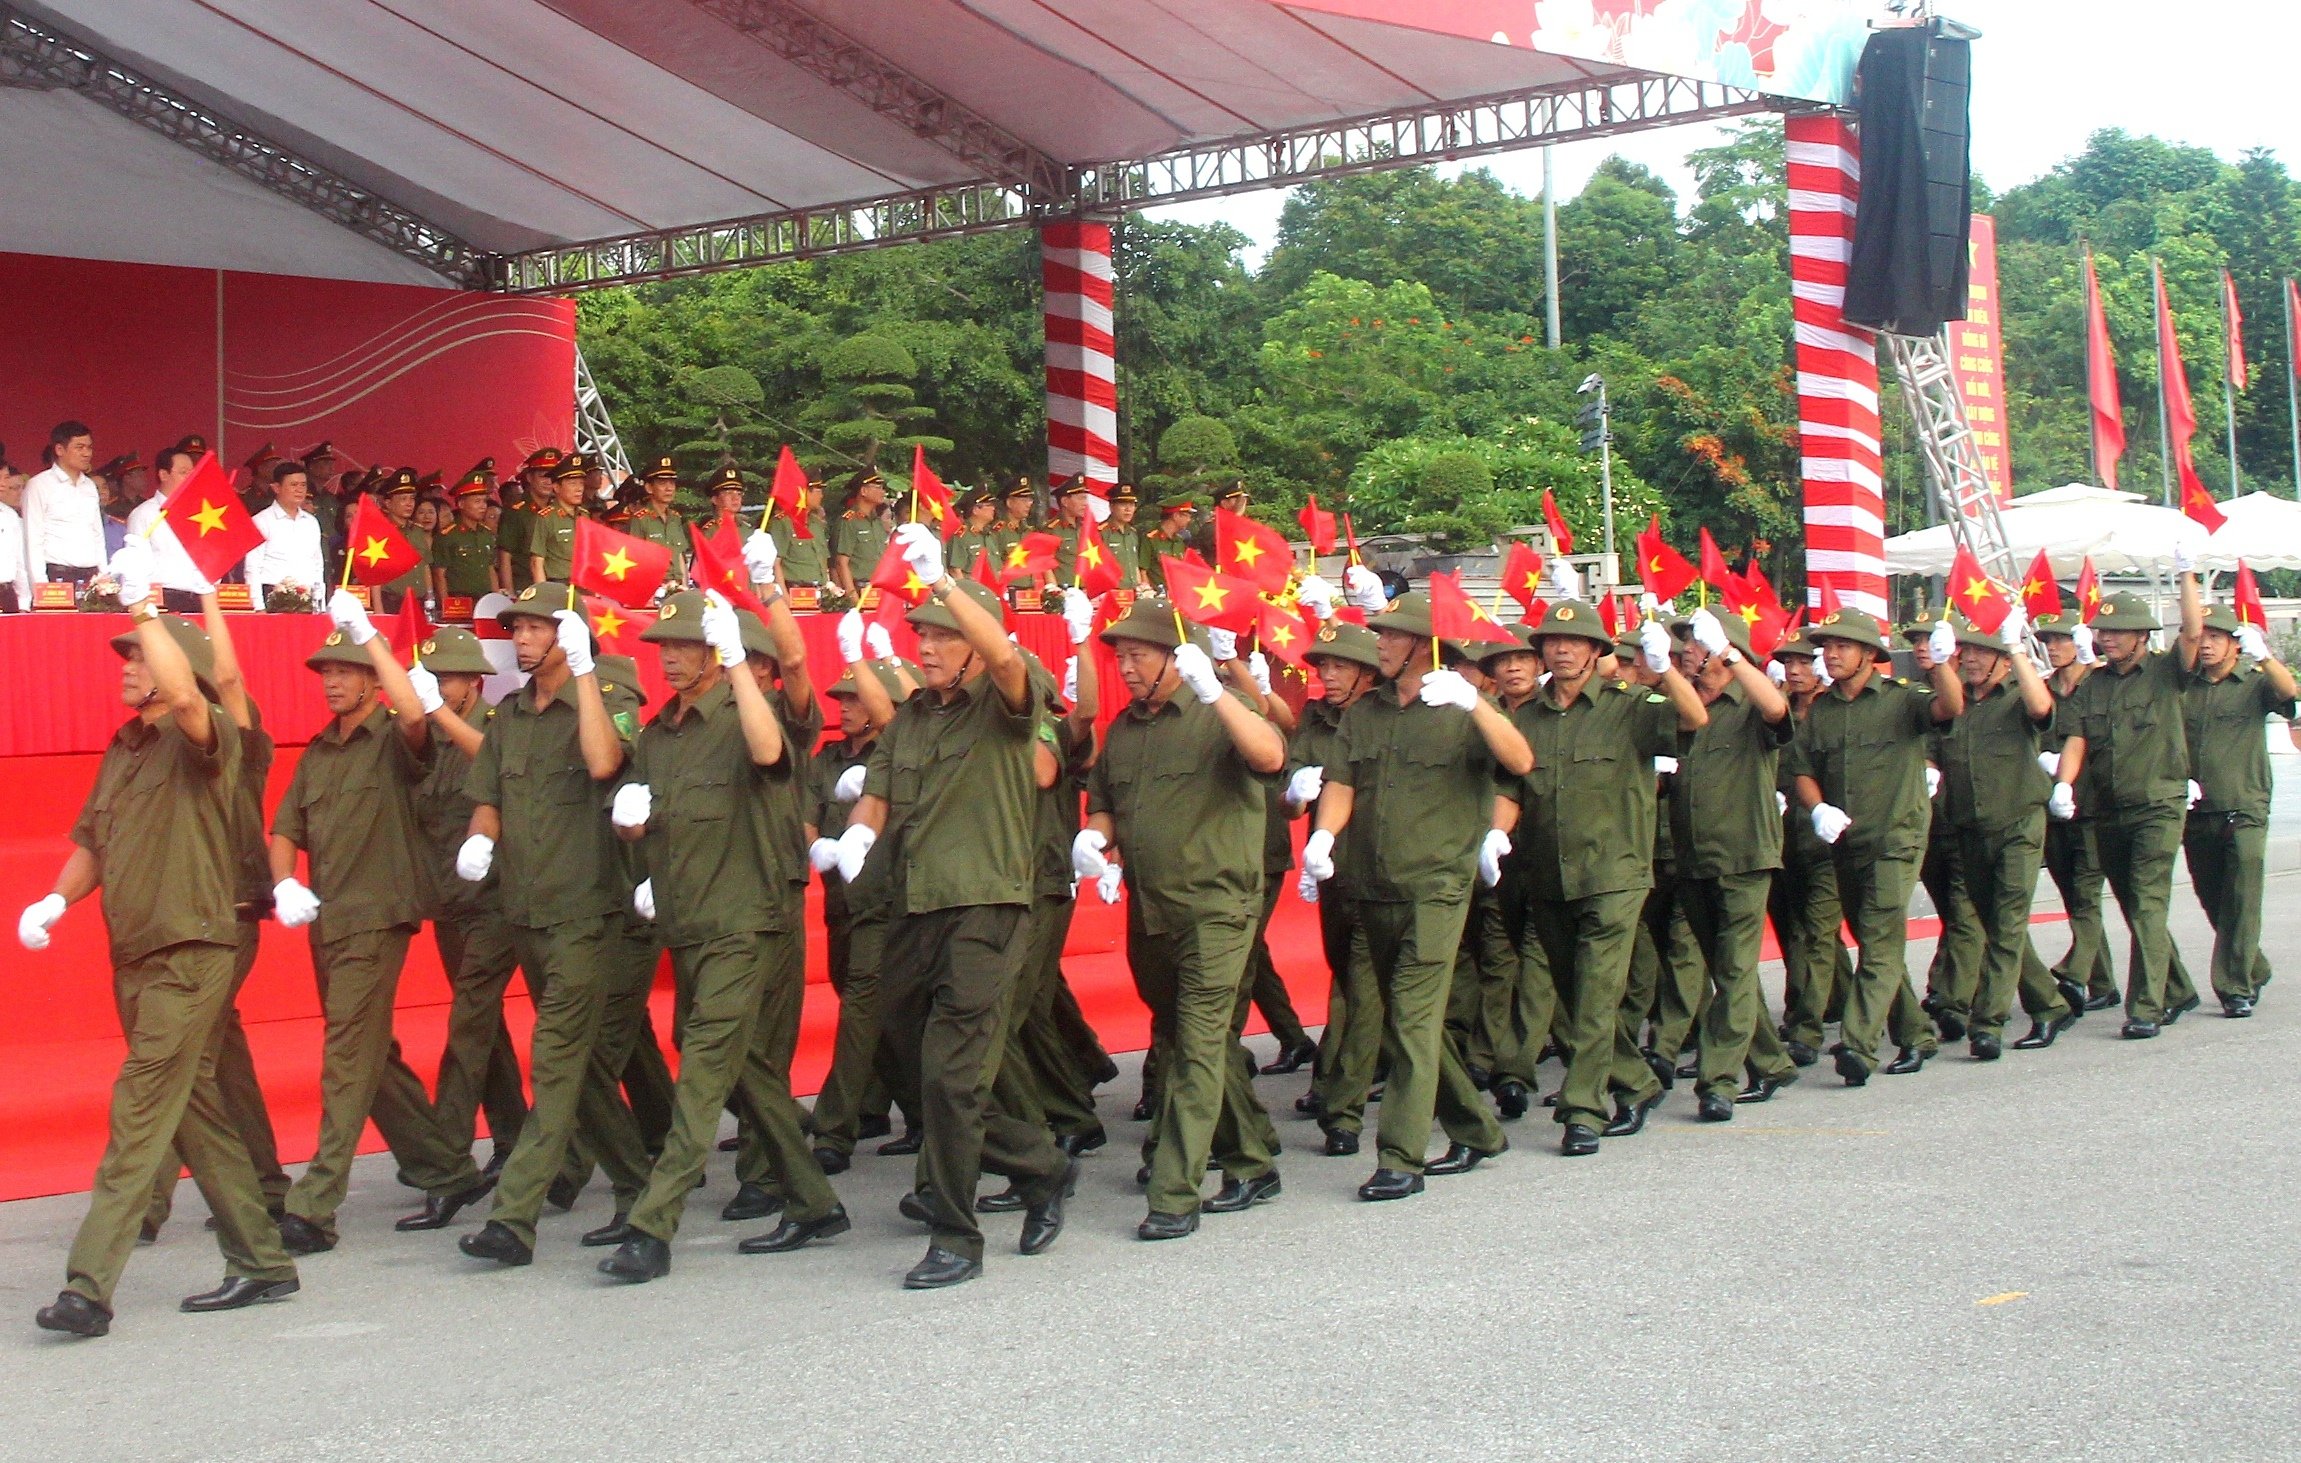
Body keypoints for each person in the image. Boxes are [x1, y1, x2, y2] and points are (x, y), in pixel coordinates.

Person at [21, 544, 298, 1336]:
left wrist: (148, 607)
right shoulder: (124, 748)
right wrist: (54, 898)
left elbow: (195, 693)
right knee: (192, 1107)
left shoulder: (202, 738)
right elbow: (92, 845)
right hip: (134, 954)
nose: (126, 665)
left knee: (141, 1102)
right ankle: (261, 1259)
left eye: (138, 657)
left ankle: (88, 1286)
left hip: (192, 950)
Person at [832, 527, 1078, 1288]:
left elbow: (1006, 657)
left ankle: (954, 1234)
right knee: (919, 1062)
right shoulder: (911, 717)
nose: (928, 648)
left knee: (950, 1074)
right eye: (922, 636)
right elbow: (877, 793)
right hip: (914, 906)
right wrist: (854, 840)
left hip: (987, 905)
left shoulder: (1002, 702)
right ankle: (1039, 1165)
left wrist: (944, 585)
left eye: (941, 636)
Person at [590, 587, 850, 1282]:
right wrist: (630, 823)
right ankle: (813, 1196)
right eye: (664, 646)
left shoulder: (748, 712)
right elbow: (642, 816)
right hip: (688, 916)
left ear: (716, 653)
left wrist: (740, 662)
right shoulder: (658, 731)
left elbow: (770, 753)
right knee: (730, 1059)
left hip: (745, 917)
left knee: (704, 1066)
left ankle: (653, 1224)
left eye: (683, 645)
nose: (669, 658)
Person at [264, 595, 494, 1252]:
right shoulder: (319, 751)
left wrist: (371, 636)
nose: (333, 680)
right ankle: (445, 1168)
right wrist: (283, 879)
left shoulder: (394, 739)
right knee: (370, 1053)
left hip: (378, 915)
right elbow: (285, 825)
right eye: (326, 671)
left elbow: (417, 711)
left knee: (344, 1056)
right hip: (327, 919)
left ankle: (315, 1203)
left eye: (345, 667)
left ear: (370, 675)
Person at [1300, 588, 1533, 1195]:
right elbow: (1344, 782)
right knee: (1411, 1020)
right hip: (1372, 885)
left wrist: (1476, 704)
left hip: (1437, 886)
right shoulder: (1365, 713)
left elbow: (1521, 759)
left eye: (1392, 634)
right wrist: (1324, 836)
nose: (1379, 641)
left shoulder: (1461, 706)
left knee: (1409, 1014)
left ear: (1424, 646)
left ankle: (1400, 1156)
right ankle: (1477, 1129)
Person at [455, 585, 656, 1267]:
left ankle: (513, 1219)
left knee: (557, 1057)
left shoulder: (603, 703)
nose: (523, 637)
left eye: (538, 627)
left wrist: (586, 672)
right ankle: (637, 1184)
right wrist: (480, 838)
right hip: (526, 911)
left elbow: (604, 762)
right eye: (519, 627)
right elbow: (488, 796)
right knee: (583, 1067)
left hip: (587, 912)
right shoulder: (510, 715)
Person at [1080, 596, 1288, 1239]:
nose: (1127, 667)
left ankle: (1175, 1192)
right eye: (1120, 657)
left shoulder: (1217, 711)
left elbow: (1270, 756)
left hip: (1218, 906)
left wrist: (1216, 690)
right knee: (1188, 1034)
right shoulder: (1125, 728)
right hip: (1152, 905)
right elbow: (1105, 802)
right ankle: (1253, 1159)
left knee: (1195, 1045)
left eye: (1138, 655)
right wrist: (1094, 839)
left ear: (1175, 656)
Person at [1490, 599, 1704, 1154]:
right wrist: (1496, 834)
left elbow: (1692, 719)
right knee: (1570, 994)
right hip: (1547, 871)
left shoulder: (1631, 705)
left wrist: (1666, 668)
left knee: (1595, 993)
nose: (1560, 651)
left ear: (1596, 651)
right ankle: (1635, 1081)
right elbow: (1512, 785)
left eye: (1574, 643)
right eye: (1552, 644)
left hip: (1614, 872)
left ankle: (1583, 1108)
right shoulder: (1526, 717)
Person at [1790, 609, 1965, 1084]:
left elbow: (1949, 708)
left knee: (1881, 937)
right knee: (1872, 938)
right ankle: (1915, 1034)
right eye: (1826, 645)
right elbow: (1801, 767)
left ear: (1870, 654)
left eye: (1842, 645)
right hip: (1846, 840)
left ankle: (1858, 1045)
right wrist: (1818, 807)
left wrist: (1942, 665)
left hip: (1897, 836)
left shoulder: (1900, 699)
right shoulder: (1821, 710)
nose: (1830, 653)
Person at [2050, 566, 2206, 1038]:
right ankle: (2178, 987)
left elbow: (2194, 633)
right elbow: (2076, 737)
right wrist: (2063, 783)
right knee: (2133, 901)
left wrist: (2186, 574)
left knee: (2148, 901)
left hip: (2158, 804)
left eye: (2117, 632)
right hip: (2107, 809)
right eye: (2102, 630)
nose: (2107, 638)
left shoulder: (2164, 672)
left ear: (2141, 635)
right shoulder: (2092, 685)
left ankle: (2146, 1007)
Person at [400, 628, 527, 1171]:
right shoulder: (426, 739)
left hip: (498, 900)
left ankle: (444, 1156)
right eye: (427, 678)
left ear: (474, 683)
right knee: (484, 1024)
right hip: (453, 904)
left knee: (469, 1022)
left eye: (444, 678)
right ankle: (513, 1137)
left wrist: (438, 714)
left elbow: (499, 763)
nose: (434, 687)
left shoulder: (495, 726)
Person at [1932, 611, 2082, 1057]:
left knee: (2010, 918)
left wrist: (2017, 649)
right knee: (1997, 924)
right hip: (1968, 826)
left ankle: (1988, 1022)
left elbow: (2042, 710)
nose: (1972, 659)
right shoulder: (1954, 703)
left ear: (2001, 659)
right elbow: (1931, 748)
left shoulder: (2020, 694)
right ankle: (2049, 1004)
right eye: (1966, 650)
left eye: (1982, 651)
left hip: (2018, 821)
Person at [1668, 609, 1798, 1121]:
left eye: (1696, 646)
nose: (1688, 654)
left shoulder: (1749, 703)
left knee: (1739, 967)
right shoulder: (1683, 708)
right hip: (1694, 856)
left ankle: (1717, 1078)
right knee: (1726, 971)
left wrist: (1735, 658)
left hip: (1745, 854)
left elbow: (1777, 710)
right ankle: (1770, 1060)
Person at [805, 624, 914, 1169]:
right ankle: (897, 1107)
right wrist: (818, 844)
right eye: (841, 699)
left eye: (854, 698)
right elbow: (803, 813)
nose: (844, 708)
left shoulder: (898, 756)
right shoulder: (825, 761)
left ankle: (832, 1132)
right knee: (869, 1010)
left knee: (862, 1013)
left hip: (885, 905)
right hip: (840, 905)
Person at [2178, 603, 2295, 1018]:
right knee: (2212, 896)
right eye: (2202, 636)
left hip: (2245, 806)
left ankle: (2234, 986)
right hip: (2196, 808)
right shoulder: (2184, 685)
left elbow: (2290, 695)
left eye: (2216, 637)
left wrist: (2263, 655)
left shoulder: (2253, 683)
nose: (2206, 644)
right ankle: (2253, 965)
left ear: (2234, 645)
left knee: (2243, 897)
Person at [1767, 632, 1855, 1066]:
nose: (1795, 670)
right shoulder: (1778, 712)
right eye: (1788, 663)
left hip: (1826, 840)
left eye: (1803, 662)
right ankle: (1860, 1001)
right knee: (1793, 929)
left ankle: (1806, 1026)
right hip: (1781, 840)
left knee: (1818, 933)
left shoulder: (1832, 711)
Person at [2033, 611, 2121, 1011]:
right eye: (2047, 641)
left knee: (2086, 893)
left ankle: (2075, 972)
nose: (2053, 648)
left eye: (2061, 640)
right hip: (2053, 809)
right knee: (2073, 896)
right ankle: (2105, 982)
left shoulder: (2098, 685)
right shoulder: (2042, 689)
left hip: (2093, 806)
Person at [122, 445, 214, 613]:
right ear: (164, 475)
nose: (191, 477)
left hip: (200, 599)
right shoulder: (145, 513)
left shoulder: (203, 512)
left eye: (192, 472)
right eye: (183, 472)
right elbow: (135, 565)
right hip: (164, 599)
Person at [25, 419, 105, 585]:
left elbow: (97, 534)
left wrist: (103, 576)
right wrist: (40, 585)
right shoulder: (39, 485)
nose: (87, 453)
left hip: (91, 575)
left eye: (89, 447)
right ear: (60, 449)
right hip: (57, 574)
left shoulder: (89, 486)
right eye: (79, 447)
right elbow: (34, 539)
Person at [247, 460, 326, 608]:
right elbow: (252, 567)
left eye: (303, 485)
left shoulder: (311, 522)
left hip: (307, 599)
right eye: (293, 485)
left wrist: (320, 606)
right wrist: (258, 607)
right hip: (272, 597)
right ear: (276, 487)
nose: (299, 490)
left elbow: (317, 567)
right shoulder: (261, 521)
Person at [430, 470, 502, 602]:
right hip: (459, 601)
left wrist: (496, 599)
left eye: (484, 501)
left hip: (485, 600)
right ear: (461, 504)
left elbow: (490, 569)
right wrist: (447, 607)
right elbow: (439, 575)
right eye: (477, 501)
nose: (482, 506)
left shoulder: (486, 533)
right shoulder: (447, 535)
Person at [496, 448, 560, 594]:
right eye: (543, 476)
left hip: (556, 586)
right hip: (526, 587)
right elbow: (505, 556)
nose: (548, 481)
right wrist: (510, 594)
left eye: (552, 477)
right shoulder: (516, 511)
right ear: (530, 478)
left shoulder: (558, 509)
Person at [623, 456, 689, 589]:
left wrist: (685, 587)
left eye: (672, 483)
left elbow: (680, 556)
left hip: (678, 588)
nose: (669, 488)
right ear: (649, 488)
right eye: (662, 483)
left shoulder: (675, 518)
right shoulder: (640, 519)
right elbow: (634, 560)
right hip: (653, 589)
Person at [830, 470, 891, 600]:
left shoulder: (877, 522)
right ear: (863, 491)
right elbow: (841, 562)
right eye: (878, 487)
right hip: (860, 589)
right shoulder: (849, 521)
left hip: (880, 590)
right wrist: (852, 596)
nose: (883, 492)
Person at [530, 454, 589, 588]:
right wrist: (544, 594)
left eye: (581, 483)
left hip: (583, 585)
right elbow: (536, 562)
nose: (579, 489)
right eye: (573, 483)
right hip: (559, 586)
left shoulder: (584, 516)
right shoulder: (547, 517)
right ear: (556, 487)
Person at [0, 458, 31, 611]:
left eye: (5, 477)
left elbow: (19, 563)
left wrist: (24, 602)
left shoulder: (9, 516)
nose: (2, 484)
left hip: (6, 593)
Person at [1106, 483, 1148, 590]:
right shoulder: (1101, 532)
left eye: (1132, 504)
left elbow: (1135, 565)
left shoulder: (1133, 533)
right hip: (1112, 592)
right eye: (1123, 504)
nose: (1128, 509)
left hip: (1133, 591)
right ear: (1111, 507)